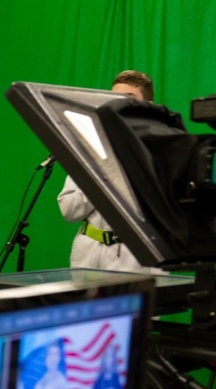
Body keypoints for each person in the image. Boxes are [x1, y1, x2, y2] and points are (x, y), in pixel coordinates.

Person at [57, 71, 164, 273]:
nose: (118, 106)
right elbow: (69, 211)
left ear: (147, 106)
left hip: (137, 259)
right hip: (88, 255)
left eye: (128, 100)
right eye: (112, 99)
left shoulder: (162, 151)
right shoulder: (89, 149)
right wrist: (102, 176)